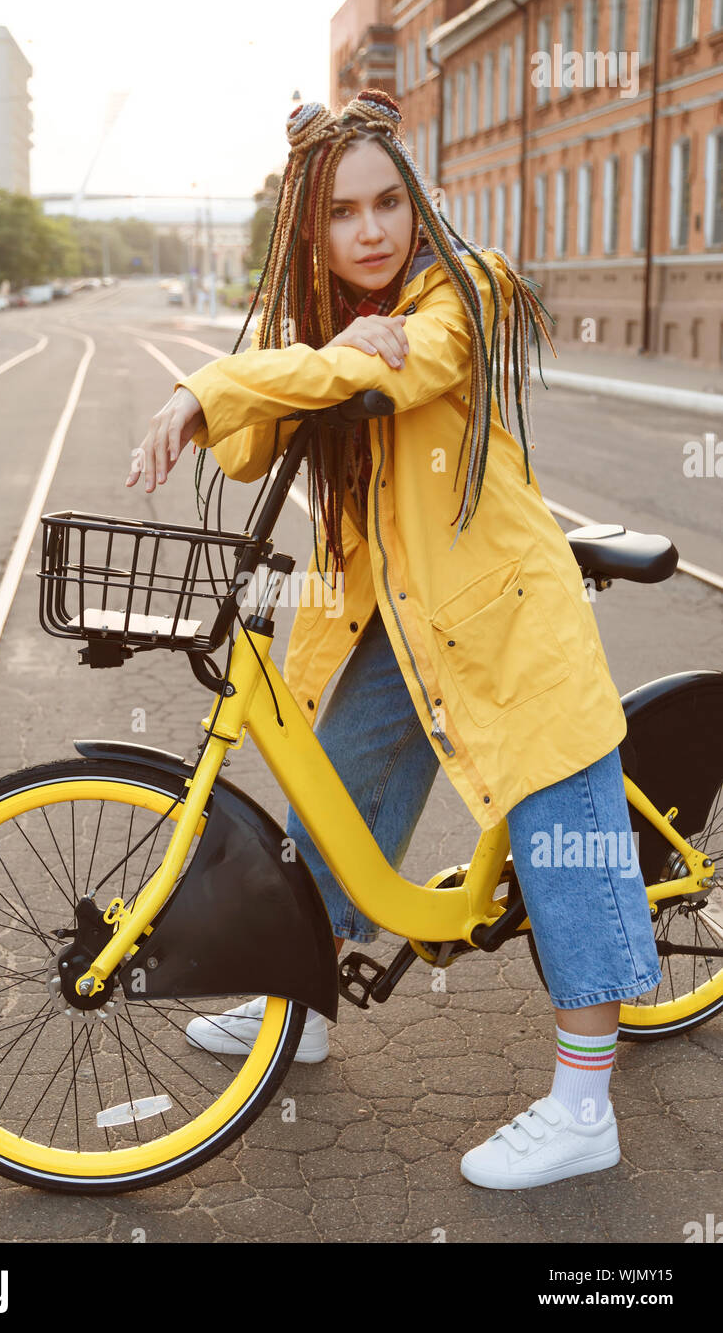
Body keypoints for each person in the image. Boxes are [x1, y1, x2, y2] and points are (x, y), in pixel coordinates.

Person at [124, 89, 662, 1190]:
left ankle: (581, 1103)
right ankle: (303, 1008)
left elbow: (390, 368)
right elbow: (251, 446)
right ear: (308, 233)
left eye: (387, 203)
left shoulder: (468, 294)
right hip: (408, 623)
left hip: (509, 621)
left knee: (565, 835)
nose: (370, 230)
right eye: (340, 214)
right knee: (338, 792)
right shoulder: (337, 326)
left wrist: (207, 384)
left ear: (414, 203)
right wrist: (293, 360)